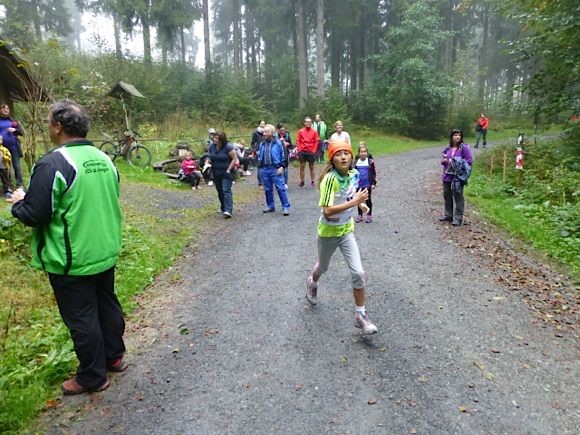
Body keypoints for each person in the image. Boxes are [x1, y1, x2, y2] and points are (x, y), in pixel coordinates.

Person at [9, 100, 126, 395]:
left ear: (58, 126)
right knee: (107, 305)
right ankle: (114, 357)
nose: (49, 128)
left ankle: (92, 376)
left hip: (71, 257)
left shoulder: (54, 163)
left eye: (49, 122)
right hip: (105, 249)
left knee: (82, 317)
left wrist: (18, 204)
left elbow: (36, 214)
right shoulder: (105, 158)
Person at [305, 139, 378, 335]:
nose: (343, 156)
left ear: (351, 156)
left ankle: (360, 315)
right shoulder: (330, 179)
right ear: (332, 159)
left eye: (346, 153)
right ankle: (312, 281)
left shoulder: (354, 174)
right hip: (328, 232)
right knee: (323, 267)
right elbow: (327, 211)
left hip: (346, 230)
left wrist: (360, 205)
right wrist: (354, 201)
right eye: (338, 154)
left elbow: (350, 195)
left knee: (358, 273)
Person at [439, 129, 473, 226]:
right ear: (451, 137)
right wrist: (444, 161)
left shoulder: (464, 148)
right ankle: (448, 215)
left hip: (458, 176)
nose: (457, 137)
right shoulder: (447, 148)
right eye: (455, 135)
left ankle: (458, 218)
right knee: (447, 194)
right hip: (447, 175)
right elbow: (443, 160)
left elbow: (469, 161)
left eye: (459, 135)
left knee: (458, 195)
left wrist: (458, 162)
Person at [259, 124, 291, 216]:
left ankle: (285, 207)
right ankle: (270, 206)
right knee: (268, 189)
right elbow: (260, 155)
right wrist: (260, 166)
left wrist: (282, 167)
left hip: (275, 168)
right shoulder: (262, 143)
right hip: (265, 168)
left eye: (266, 132)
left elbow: (285, 156)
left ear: (272, 133)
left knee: (281, 188)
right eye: (263, 132)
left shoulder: (278, 143)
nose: (264, 133)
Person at [209, 130, 238, 219]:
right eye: (214, 138)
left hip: (226, 172)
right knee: (220, 190)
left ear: (222, 139)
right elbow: (210, 156)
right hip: (216, 171)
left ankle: (228, 210)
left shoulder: (228, 147)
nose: (215, 140)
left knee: (226, 190)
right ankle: (223, 207)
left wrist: (229, 169)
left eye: (217, 138)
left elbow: (234, 159)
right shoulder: (212, 147)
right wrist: (207, 161)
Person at [0, 103, 25, 188]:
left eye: (7, 108)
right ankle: (8, 186)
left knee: (17, 166)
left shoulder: (12, 121)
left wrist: (14, 129)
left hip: (14, 147)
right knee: (5, 168)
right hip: (3, 149)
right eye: (4, 108)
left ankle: (20, 185)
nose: (6, 110)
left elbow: (21, 132)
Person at [354, 142, 377, 223]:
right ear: (358, 153)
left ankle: (369, 215)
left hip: (367, 184)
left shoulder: (370, 162)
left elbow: (373, 173)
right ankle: (360, 215)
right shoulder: (355, 162)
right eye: (361, 152)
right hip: (358, 185)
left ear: (367, 153)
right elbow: (352, 173)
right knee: (359, 200)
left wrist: (373, 183)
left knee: (368, 200)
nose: (363, 153)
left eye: (365, 152)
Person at [296, 116, 319, 188]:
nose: (308, 123)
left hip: (311, 151)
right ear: (304, 123)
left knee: (311, 167)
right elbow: (298, 141)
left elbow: (316, 141)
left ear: (311, 123)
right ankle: (302, 181)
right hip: (302, 151)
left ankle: (312, 181)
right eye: (307, 122)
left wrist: (314, 150)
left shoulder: (314, 132)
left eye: (310, 122)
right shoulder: (301, 131)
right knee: (302, 167)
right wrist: (299, 150)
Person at [250, 120, 266, 187]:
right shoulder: (255, 132)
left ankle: (266, 181)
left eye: (264, 124)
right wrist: (255, 150)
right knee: (259, 167)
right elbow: (252, 143)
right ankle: (260, 183)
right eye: (261, 124)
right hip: (258, 151)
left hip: (266, 151)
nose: (263, 125)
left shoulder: (266, 132)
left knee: (266, 166)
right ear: (259, 124)